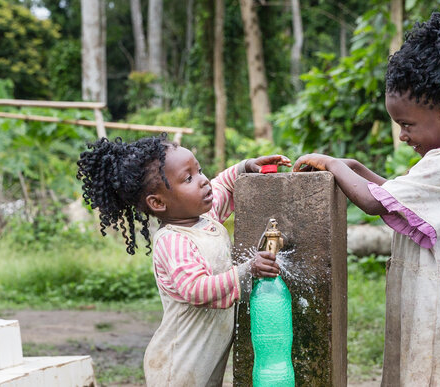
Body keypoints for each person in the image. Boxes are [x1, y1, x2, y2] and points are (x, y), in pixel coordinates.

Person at [293, 6, 440, 386]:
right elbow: (403, 198)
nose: (403, 136)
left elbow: (375, 202)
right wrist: (356, 168)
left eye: (406, 125)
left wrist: (332, 165)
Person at [76, 134, 291, 386]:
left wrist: (246, 166)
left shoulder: (206, 219)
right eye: (188, 178)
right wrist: (247, 270)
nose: (203, 181)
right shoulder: (173, 241)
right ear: (158, 203)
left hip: (206, 358)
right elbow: (195, 290)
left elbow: (222, 183)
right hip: (178, 364)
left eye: (199, 171)